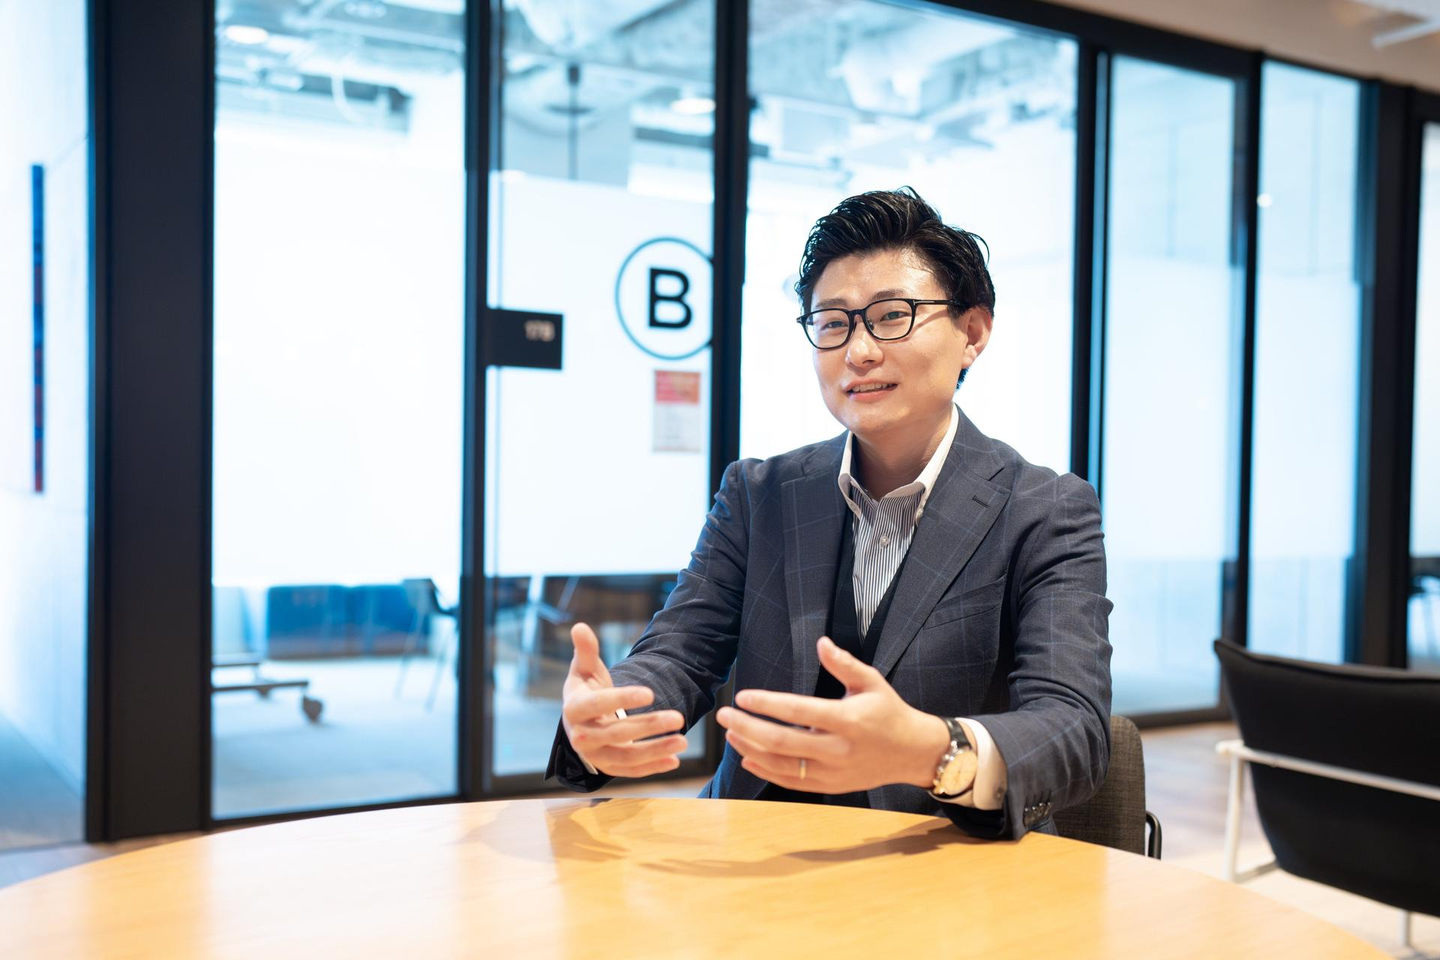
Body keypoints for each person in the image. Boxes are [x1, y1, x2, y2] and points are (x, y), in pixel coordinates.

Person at [546, 187, 1112, 838]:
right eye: (834, 323)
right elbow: (681, 654)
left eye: (893, 315)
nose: (859, 351)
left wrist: (931, 750)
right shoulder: (759, 493)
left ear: (973, 333)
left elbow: (1074, 727)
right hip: (751, 847)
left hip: (937, 859)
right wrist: (609, 714)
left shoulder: (1044, 509)